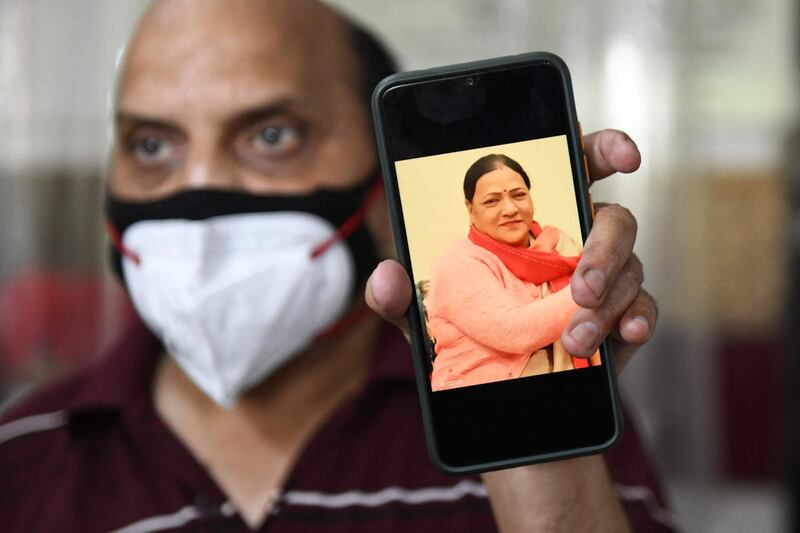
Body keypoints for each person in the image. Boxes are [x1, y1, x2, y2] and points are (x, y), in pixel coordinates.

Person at [0, 1, 675, 532]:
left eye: (273, 135)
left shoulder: (551, 417)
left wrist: (542, 468)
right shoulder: (22, 458)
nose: (196, 197)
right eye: (150, 143)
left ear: (385, 181)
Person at [428, 153, 600, 391]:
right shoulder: (457, 261)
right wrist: (595, 287)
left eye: (519, 195)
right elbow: (515, 331)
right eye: (492, 201)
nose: (510, 209)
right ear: (470, 208)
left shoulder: (559, 245)